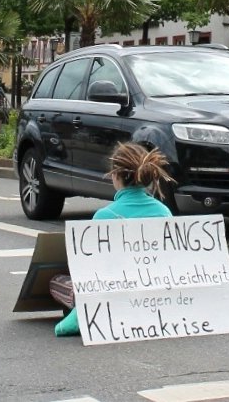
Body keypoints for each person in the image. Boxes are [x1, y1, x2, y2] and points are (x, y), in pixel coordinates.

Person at [52, 142, 175, 337]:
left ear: (115, 175)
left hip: (114, 294)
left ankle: (84, 314)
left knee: (57, 282)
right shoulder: (164, 212)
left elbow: (91, 270)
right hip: (156, 293)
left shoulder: (104, 216)